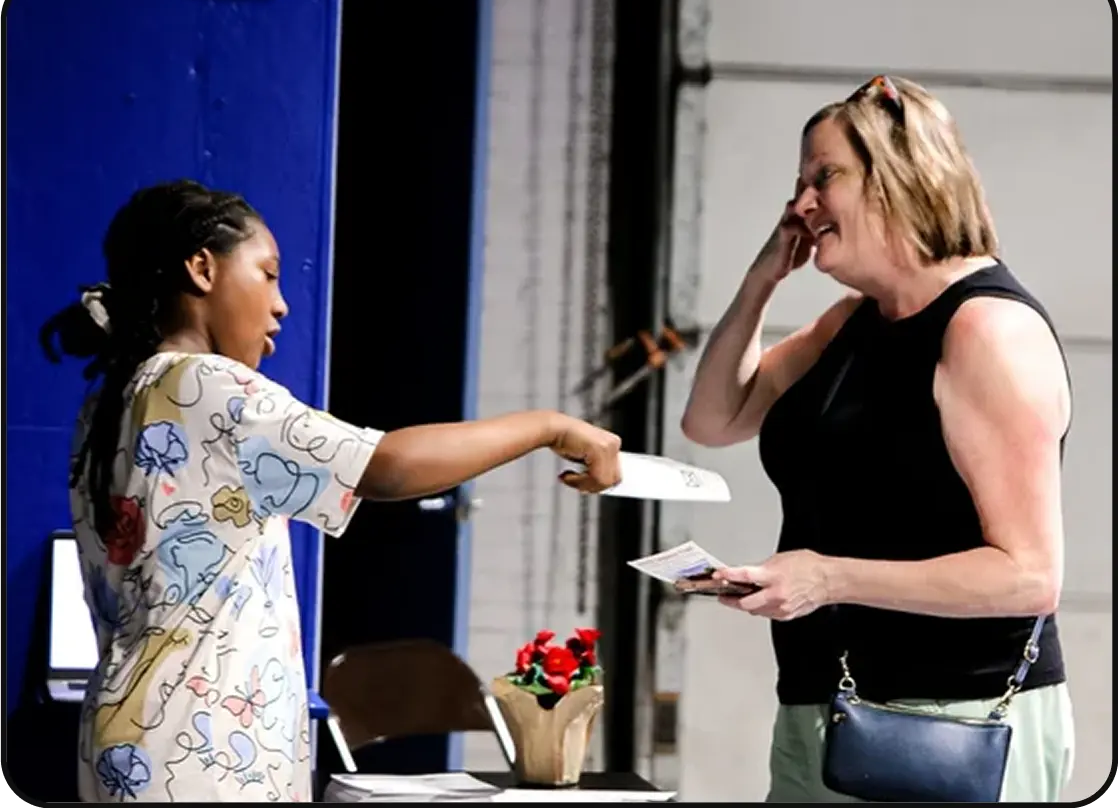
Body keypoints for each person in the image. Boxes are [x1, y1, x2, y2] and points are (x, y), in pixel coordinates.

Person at [39, 179, 623, 803]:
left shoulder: (111, 401)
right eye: (268, 275)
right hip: (197, 751)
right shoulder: (206, 385)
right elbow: (385, 465)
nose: (281, 305)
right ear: (202, 269)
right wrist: (547, 426)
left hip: (133, 738)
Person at [681, 76, 1074, 802]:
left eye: (823, 177)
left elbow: (1028, 577)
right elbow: (713, 418)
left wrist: (826, 578)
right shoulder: (854, 322)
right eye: (798, 184)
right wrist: (763, 277)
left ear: (900, 175)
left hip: (951, 723)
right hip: (823, 710)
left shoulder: (987, 330)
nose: (801, 204)